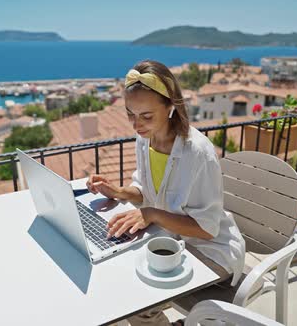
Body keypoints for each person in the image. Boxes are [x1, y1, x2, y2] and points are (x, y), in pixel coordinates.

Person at [86, 60, 246, 325]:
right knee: (119, 279)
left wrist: (151, 214)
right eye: (130, 114)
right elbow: (147, 192)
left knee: (137, 305)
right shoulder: (145, 139)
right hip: (171, 241)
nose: (136, 125)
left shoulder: (198, 154)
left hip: (211, 251)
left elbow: (207, 229)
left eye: (146, 116)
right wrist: (120, 192)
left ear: (171, 106)